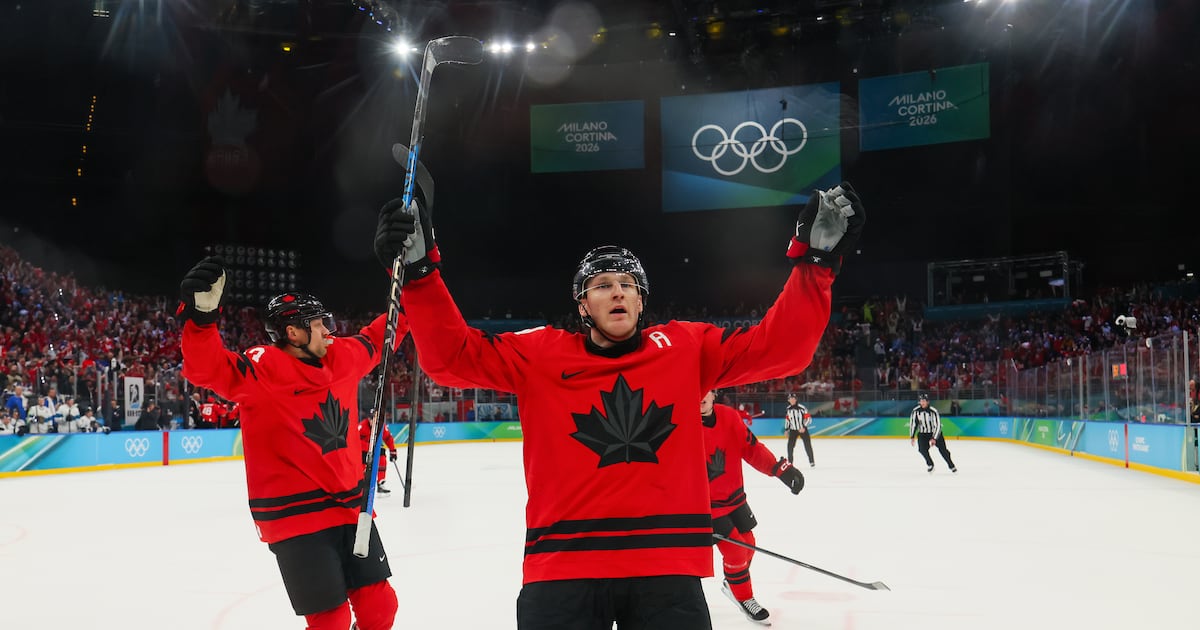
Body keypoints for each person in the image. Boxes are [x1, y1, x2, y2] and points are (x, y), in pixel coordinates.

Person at [376, 159, 864, 629]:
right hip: (563, 569)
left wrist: (816, 263)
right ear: (582, 303)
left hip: (666, 569)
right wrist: (420, 274)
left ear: (641, 299)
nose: (618, 292)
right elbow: (451, 359)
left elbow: (781, 350)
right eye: (602, 284)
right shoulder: (541, 353)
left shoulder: (684, 347)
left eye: (629, 284)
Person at [178, 252, 410, 630]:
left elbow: (381, 335)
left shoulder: (343, 357)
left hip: (351, 508)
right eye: (319, 325)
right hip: (296, 519)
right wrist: (201, 321)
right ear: (294, 333)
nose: (329, 332)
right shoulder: (262, 369)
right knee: (330, 622)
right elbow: (208, 369)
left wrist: (414, 279)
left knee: (380, 607)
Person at [701, 389, 804, 625]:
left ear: (714, 393)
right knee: (735, 551)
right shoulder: (682, 425)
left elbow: (751, 448)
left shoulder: (729, 417)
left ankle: (732, 582)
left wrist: (780, 470)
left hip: (734, 498)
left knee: (749, 544)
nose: (700, 397)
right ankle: (745, 597)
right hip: (707, 506)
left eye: (704, 391)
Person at [909, 393, 957, 473]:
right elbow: (913, 424)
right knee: (922, 449)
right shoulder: (915, 411)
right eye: (921, 401)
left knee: (943, 450)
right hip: (923, 433)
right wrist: (912, 436)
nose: (922, 402)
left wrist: (934, 438)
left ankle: (951, 465)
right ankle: (930, 464)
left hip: (935, 432)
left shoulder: (933, 411)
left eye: (924, 401)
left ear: (927, 402)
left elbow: (937, 425)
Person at [358, 415, 398, 496]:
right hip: (362, 450)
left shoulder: (381, 426)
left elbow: (388, 438)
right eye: (372, 420)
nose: (374, 422)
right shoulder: (361, 426)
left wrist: (393, 451)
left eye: (376, 420)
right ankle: (360, 485)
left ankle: (381, 483)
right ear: (368, 419)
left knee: (382, 456)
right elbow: (355, 441)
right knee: (362, 467)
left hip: (374, 447)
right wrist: (369, 446)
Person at [783, 392, 814, 467]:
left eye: (793, 398)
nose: (792, 400)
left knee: (807, 445)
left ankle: (811, 461)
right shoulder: (788, 409)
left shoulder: (802, 408)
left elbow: (809, 419)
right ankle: (790, 463)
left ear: (796, 399)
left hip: (802, 429)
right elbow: (787, 420)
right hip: (793, 430)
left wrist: (803, 427)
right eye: (790, 399)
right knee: (790, 446)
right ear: (788, 400)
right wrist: (787, 430)